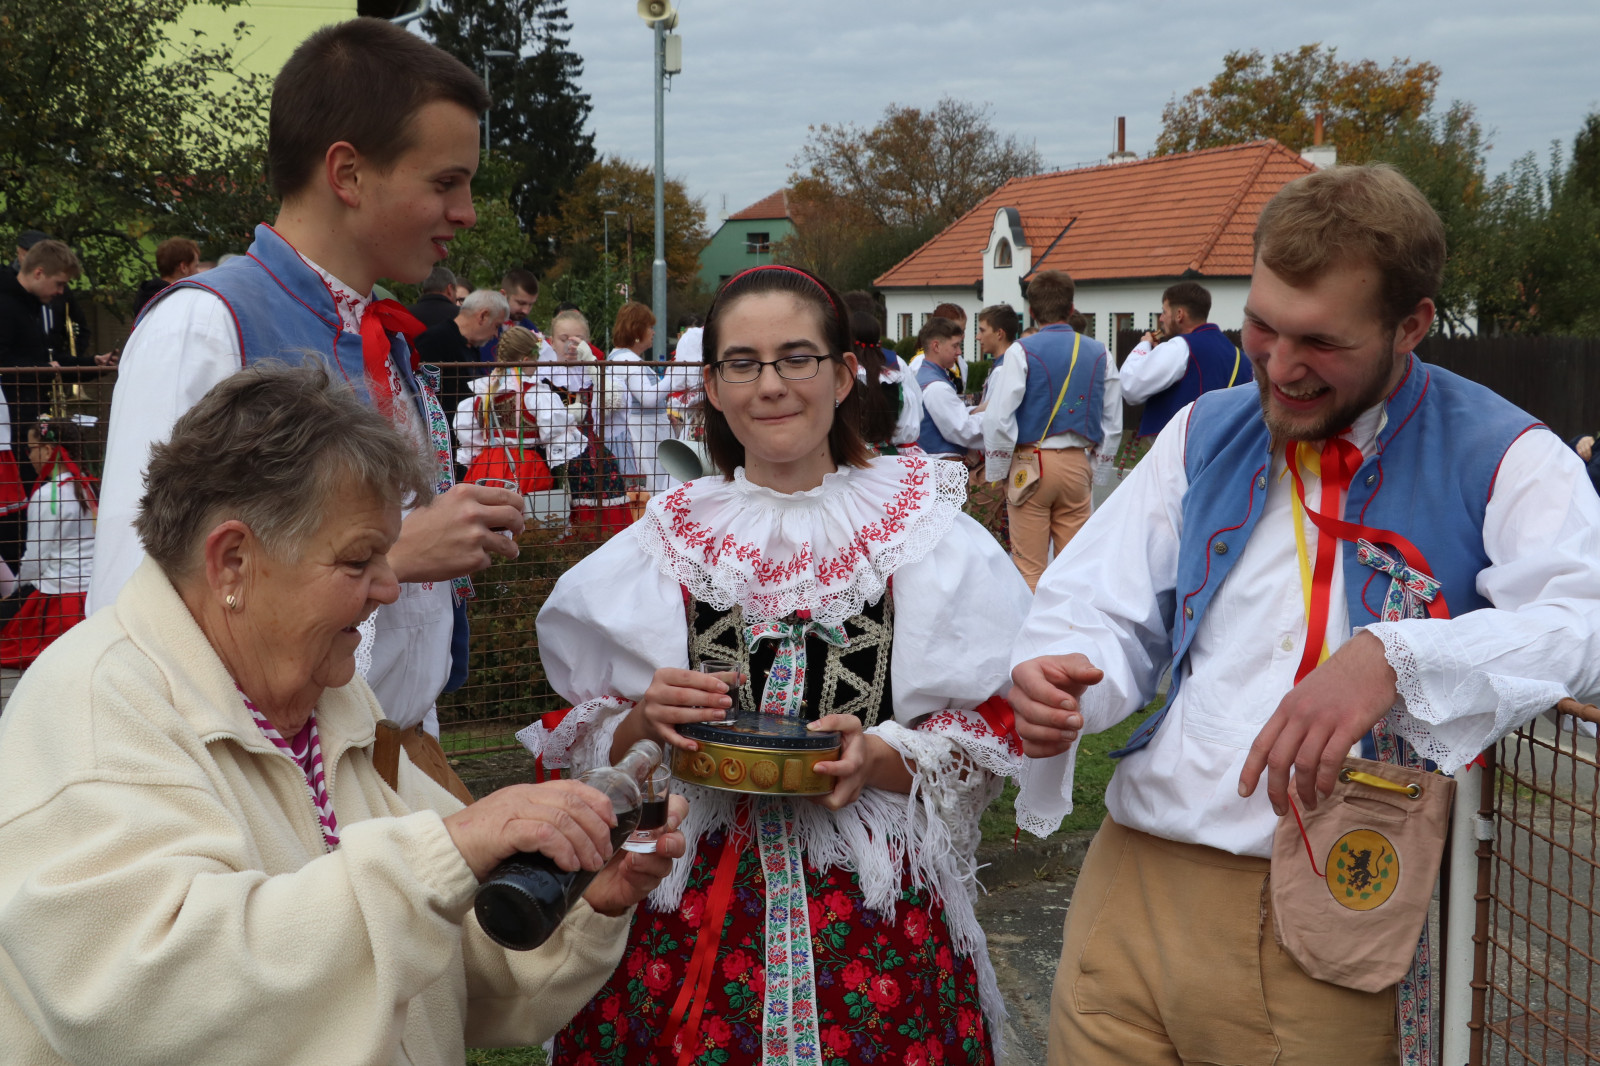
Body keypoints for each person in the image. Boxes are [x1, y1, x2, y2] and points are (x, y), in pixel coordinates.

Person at [1007, 164, 1600, 1066]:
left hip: (1335, 911)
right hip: (1130, 885)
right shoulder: (1205, 427)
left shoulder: (1507, 453)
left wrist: (1394, 658)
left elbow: (1584, 621)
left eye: (1320, 342)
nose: (1281, 366)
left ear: (1412, 326)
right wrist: (1066, 676)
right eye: (1263, 327)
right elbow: (1101, 600)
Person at [0, 361, 689, 1065]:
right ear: (233, 561)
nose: (389, 588)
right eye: (359, 562)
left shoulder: (328, 700)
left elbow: (445, 969)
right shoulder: (99, 710)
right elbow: (143, 1005)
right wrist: (445, 851)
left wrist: (569, 899)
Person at [520, 262, 1032, 1066]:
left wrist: (880, 755)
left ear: (842, 375)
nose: (772, 385)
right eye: (743, 363)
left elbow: (989, 729)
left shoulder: (923, 531)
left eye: (797, 357)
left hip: (869, 901)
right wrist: (642, 719)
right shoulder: (668, 537)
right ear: (714, 388)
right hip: (688, 890)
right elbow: (587, 735)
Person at [91, 18, 527, 802]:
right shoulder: (206, 326)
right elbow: (134, 608)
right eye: (445, 182)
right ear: (349, 174)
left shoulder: (382, 337)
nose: (464, 211)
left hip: (386, 764)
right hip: (264, 785)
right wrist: (402, 554)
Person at [981, 270, 1122, 591]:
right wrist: (1095, 470)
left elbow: (999, 419)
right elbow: (1113, 422)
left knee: (1030, 570)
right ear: (1071, 309)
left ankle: (1032, 638)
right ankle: (1070, 636)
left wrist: (1000, 469)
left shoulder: (1020, 351)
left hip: (1031, 463)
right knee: (1074, 569)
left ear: (1031, 312)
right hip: (1076, 463)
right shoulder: (1100, 352)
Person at [0, 416, 94, 666]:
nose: (29, 456)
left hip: (59, 606)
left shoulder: (47, 496)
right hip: (95, 598)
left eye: (31, 448)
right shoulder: (92, 488)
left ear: (48, 450)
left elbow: (35, 560)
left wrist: (14, 591)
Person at [538, 309, 632, 538]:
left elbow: (613, 401)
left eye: (578, 340)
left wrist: (590, 361)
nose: (571, 345)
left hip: (592, 462)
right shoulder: (541, 375)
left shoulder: (594, 374)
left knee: (602, 532)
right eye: (564, 339)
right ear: (551, 341)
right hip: (551, 460)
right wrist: (565, 417)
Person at [454, 325, 578, 494]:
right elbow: (556, 436)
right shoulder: (536, 395)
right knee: (524, 514)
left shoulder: (482, 395)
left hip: (487, 466)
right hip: (524, 467)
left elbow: (471, 441)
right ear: (526, 361)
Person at [1120, 280, 1252, 438]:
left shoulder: (1180, 347)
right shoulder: (1240, 357)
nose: (1161, 319)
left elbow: (1130, 386)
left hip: (1179, 454)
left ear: (1179, 315)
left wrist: (1143, 346)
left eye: (1164, 312)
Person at [606, 300, 673, 492]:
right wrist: (673, 378)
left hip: (641, 432)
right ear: (637, 331)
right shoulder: (629, 360)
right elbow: (648, 398)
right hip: (643, 434)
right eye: (649, 327)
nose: (653, 332)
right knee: (652, 487)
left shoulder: (617, 356)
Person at [415, 287, 509, 419]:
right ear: (483, 316)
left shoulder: (471, 347)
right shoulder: (434, 341)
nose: (495, 334)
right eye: (497, 326)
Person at [851, 309, 922, 453]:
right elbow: (916, 412)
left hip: (852, 457)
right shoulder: (897, 366)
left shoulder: (840, 370)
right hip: (894, 457)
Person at [915, 316, 984, 460]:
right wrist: (999, 419)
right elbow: (962, 430)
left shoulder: (926, 376)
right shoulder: (936, 386)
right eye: (955, 345)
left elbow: (951, 413)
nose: (959, 352)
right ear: (936, 346)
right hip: (942, 466)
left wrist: (976, 410)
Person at [479, 267, 542, 363]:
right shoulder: (481, 324)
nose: (526, 311)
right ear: (503, 294)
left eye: (531, 304)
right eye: (521, 303)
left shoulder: (532, 331)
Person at [132, 237, 203, 317]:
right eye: (196, 266)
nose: (198, 272)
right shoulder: (172, 303)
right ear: (183, 267)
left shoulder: (147, 297)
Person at [975, 303, 1021, 403]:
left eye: (982, 331)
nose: (978, 337)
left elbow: (991, 414)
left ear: (999, 333)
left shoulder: (1001, 370)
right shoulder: (1012, 363)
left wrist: (969, 412)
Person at [409, 264, 461, 330]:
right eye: (455, 291)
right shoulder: (462, 316)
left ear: (423, 290)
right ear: (449, 289)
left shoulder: (406, 315)